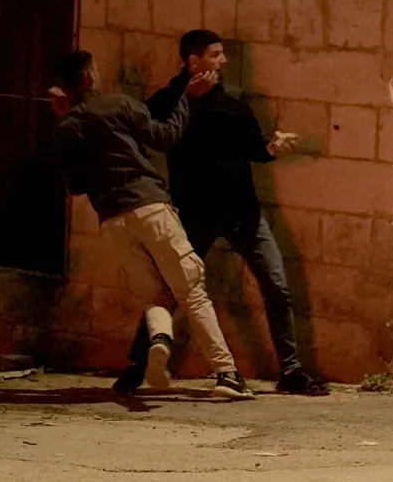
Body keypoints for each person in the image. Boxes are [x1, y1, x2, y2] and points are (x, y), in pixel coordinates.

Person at [51, 51, 255, 400]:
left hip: (113, 220)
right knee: (191, 291)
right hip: (149, 206)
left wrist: (69, 120)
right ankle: (227, 374)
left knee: (154, 295)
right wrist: (187, 99)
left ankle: (160, 340)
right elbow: (164, 136)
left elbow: (76, 185)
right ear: (89, 77)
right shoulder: (119, 104)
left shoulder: (67, 127)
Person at [144, 29, 329, 396]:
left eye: (222, 54)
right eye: (215, 54)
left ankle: (291, 371)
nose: (223, 60)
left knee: (276, 286)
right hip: (195, 215)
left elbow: (254, 147)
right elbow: (147, 134)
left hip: (244, 212)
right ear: (193, 61)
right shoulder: (166, 101)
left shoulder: (232, 98)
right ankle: (139, 367)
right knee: (170, 290)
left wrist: (273, 148)